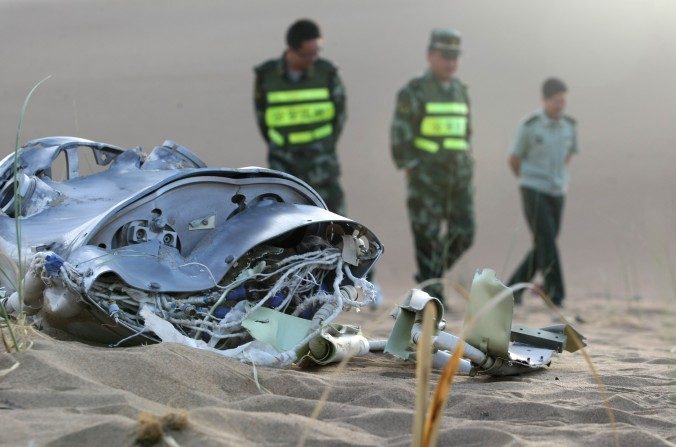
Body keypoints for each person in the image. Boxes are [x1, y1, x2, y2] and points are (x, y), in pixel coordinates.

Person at [390, 29, 474, 303]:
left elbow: (465, 132)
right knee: (428, 236)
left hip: (459, 177)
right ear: (430, 56)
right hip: (426, 178)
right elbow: (400, 135)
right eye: (445, 56)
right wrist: (413, 167)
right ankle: (432, 296)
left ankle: (431, 274)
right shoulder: (414, 91)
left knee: (465, 232)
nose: (450, 62)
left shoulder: (461, 91)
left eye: (455, 57)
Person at [253, 19, 347, 215]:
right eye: (307, 54)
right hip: (285, 168)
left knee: (336, 227)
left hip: (323, 167)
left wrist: (324, 146)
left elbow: (339, 117)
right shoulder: (267, 76)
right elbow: (263, 121)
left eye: (317, 52)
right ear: (292, 49)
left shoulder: (327, 73)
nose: (313, 58)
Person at [507, 78, 578, 307]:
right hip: (533, 188)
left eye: (563, 101)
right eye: (556, 101)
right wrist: (528, 179)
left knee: (545, 242)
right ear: (545, 100)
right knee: (546, 239)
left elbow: (569, 156)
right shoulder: (530, 126)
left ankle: (512, 288)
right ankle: (556, 293)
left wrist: (557, 178)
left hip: (557, 190)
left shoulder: (569, 126)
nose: (560, 105)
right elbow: (514, 159)